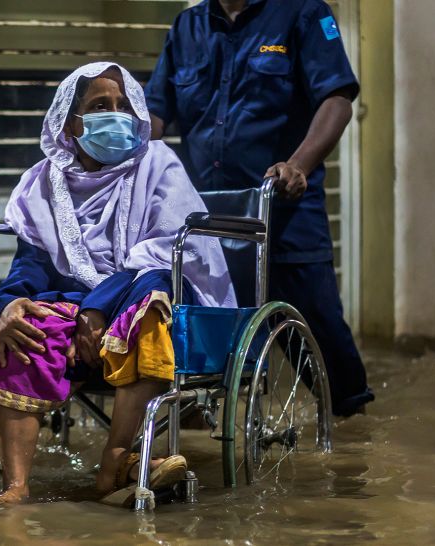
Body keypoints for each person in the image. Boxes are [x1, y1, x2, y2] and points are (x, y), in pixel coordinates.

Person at [0, 62, 237, 505]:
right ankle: (15, 487)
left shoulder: (158, 165)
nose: (115, 115)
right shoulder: (42, 184)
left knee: (147, 316)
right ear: (71, 124)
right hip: (74, 303)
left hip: (149, 290)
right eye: (99, 106)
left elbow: (168, 256)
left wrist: (97, 308)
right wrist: (9, 306)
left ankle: (114, 460)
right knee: (22, 333)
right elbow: (31, 267)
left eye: (123, 105)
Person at [145, 0, 374, 417]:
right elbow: (156, 111)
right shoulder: (187, 27)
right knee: (201, 361)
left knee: (323, 348)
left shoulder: (302, 13)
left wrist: (298, 165)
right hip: (206, 224)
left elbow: (337, 99)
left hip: (283, 214)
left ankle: (352, 443)